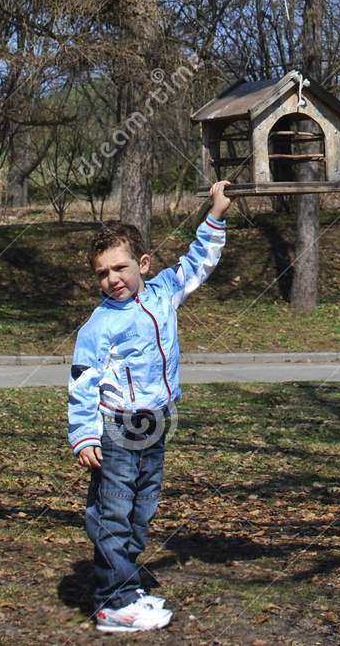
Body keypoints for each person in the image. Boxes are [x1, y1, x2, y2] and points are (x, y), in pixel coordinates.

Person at [68, 181, 233, 633]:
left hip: (157, 424)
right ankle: (111, 603)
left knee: (142, 510)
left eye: (119, 268)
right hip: (118, 431)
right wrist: (83, 435)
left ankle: (125, 584)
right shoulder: (99, 326)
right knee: (114, 510)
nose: (112, 280)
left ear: (142, 264)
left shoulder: (163, 292)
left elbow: (200, 261)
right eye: (102, 273)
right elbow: (82, 384)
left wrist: (216, 213)